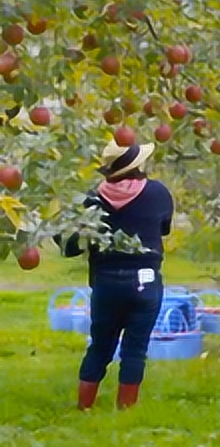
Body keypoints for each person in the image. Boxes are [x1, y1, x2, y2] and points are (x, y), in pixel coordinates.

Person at [57, 140, 175, 411]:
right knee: (135, 350)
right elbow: (163, 228)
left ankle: (83, 407)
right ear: (138, 165)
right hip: (144, 280)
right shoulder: (158, 193)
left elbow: (71, 246)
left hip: (106, 281)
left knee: (100, 346)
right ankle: (125, 411)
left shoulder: (92, 200)